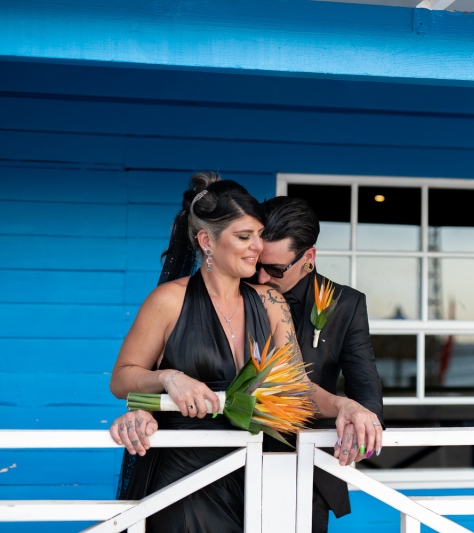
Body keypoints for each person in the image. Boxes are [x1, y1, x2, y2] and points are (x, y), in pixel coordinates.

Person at [108, 173, 379, 533]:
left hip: (252, 477)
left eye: (258, 235)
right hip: (184, 476)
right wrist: (169, 378)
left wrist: (346, 405)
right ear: (207, 240)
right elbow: (122, 378)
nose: (257, 247)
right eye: (244, 237)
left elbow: (295, 388)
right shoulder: (168, 300)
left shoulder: (270, 301)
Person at [256, 196, 384, 533]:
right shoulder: (238, 290)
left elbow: (364, 380)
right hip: (231, 460)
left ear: (308, 257)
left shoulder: (346, 303)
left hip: (308, 467)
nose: (261, 275)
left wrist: (364, 425)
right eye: (256, 261)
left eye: (275, 269)